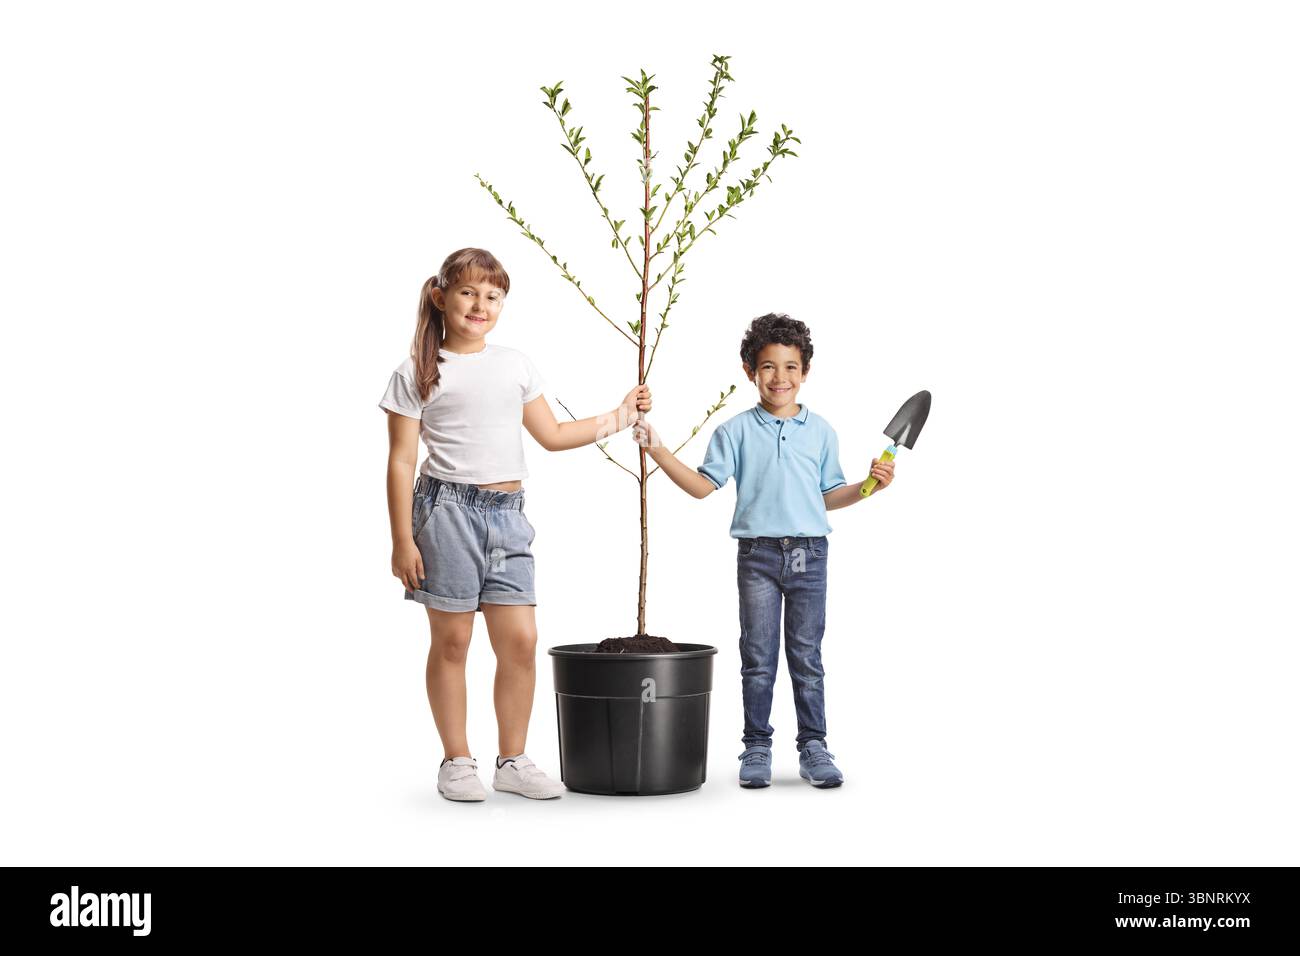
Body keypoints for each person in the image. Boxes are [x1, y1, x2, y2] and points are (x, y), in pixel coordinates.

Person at [379, 247, 651, 801]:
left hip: (508, 518)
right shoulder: (416, 371)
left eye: (492, 296)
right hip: (445, 513)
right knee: (453, 641)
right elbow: (402, 459)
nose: (480, 305)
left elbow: (552, 435)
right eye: (468, 293)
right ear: (441, 296)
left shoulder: (514, 363)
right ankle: (456, 760)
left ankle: (513, 760)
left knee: (521, 641)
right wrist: (402, 539)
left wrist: (621, 416)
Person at [633, 313, 893, 789]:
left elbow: (829, 496)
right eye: (769, 367)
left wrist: (869, 486)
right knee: (757, 654)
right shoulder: (734, 432)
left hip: (810, 556)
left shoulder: (822, 432)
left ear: (805, 372)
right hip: (757, 557)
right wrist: (658, 450)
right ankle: (757, 745)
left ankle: (814, 745)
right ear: (750, 371)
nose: (780, 378)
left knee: (806, 655)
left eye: (791, 367)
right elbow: (701, 487)